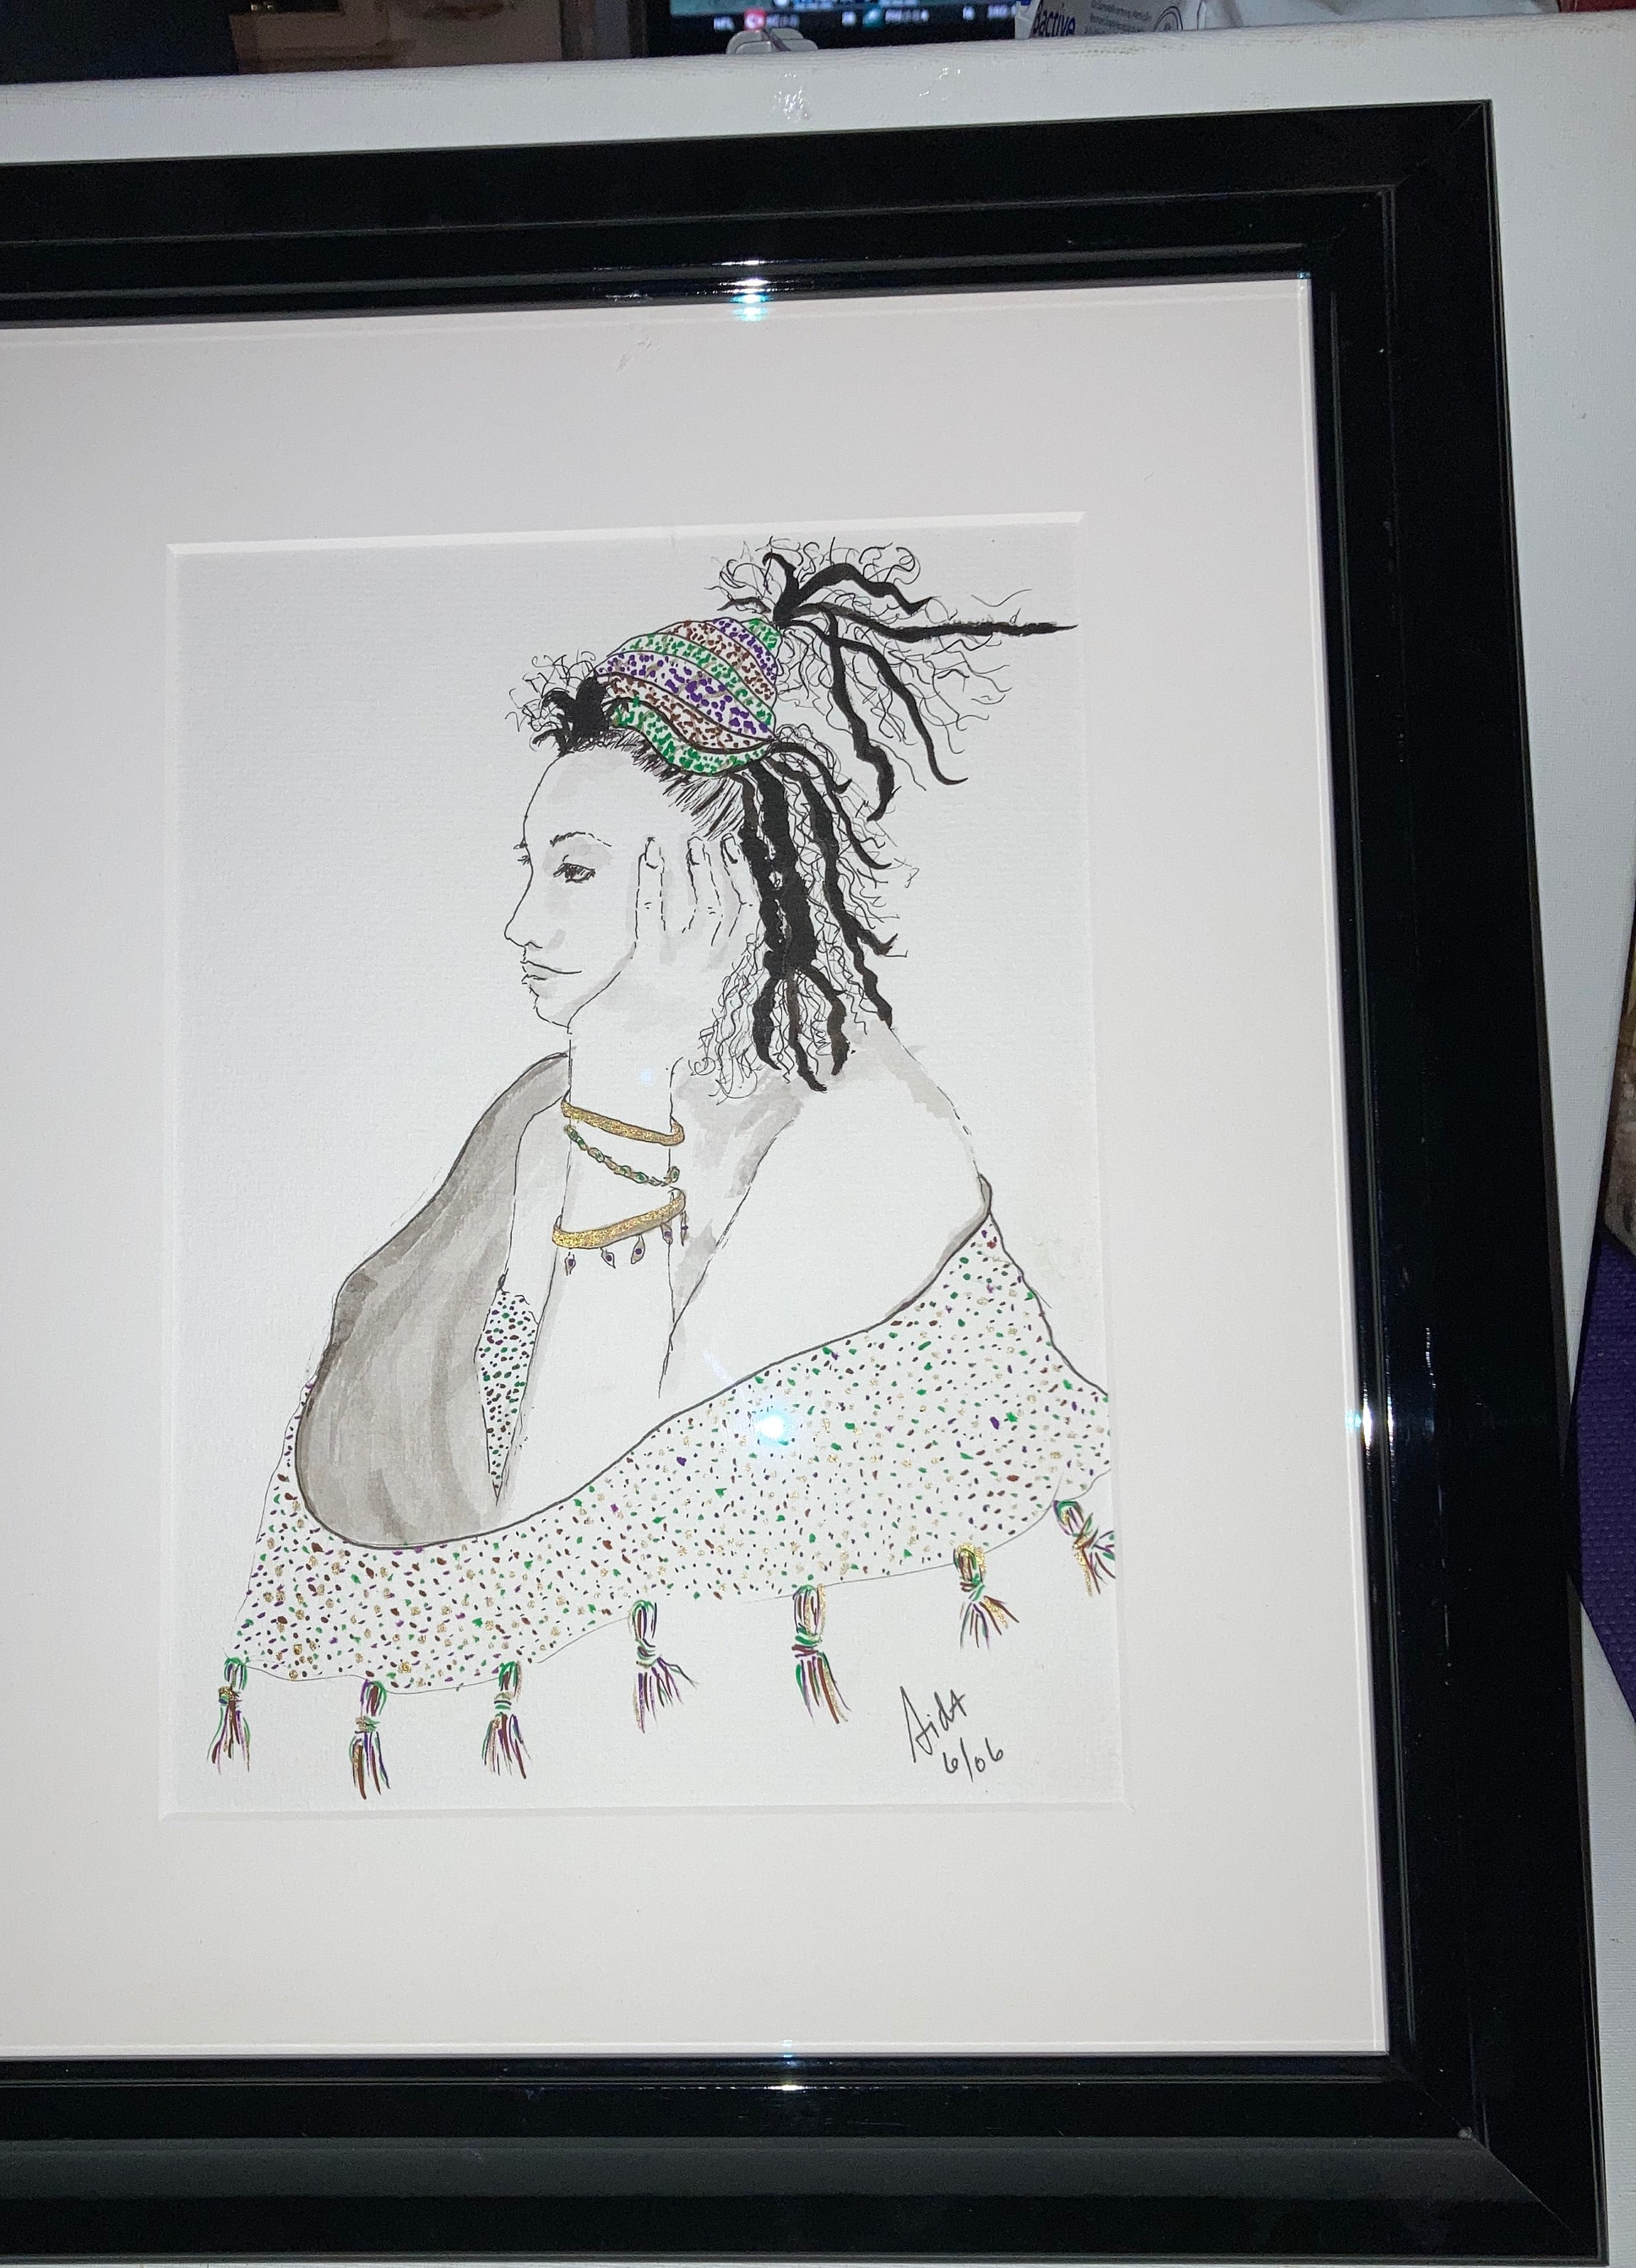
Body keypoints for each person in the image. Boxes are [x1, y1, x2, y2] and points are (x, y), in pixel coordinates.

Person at [215, 544, 1115, 1790]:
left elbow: (577, 1541)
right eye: (531, 869)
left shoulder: (869, 1137)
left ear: (722, 881)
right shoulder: (538, 1122)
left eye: (576, 870)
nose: (523, 923)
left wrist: (632, 1079)